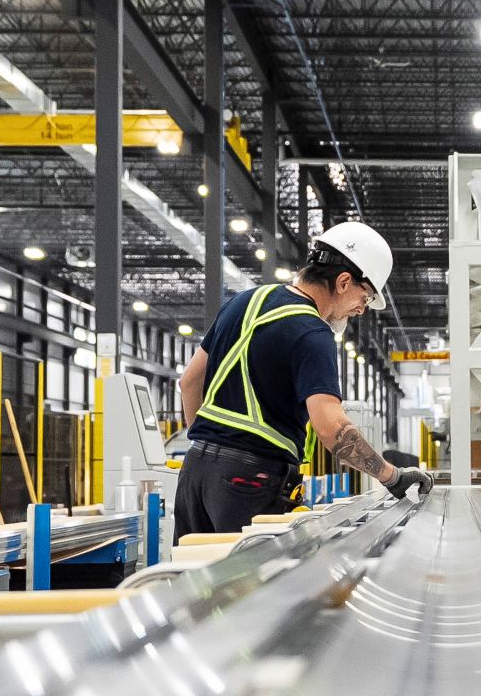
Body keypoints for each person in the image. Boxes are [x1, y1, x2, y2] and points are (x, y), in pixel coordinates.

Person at [174, 221, 433, 538]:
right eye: (364, 298)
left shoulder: (243, 302)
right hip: (248, 480)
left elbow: (189, 382)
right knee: (253, 585)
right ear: (343, 281)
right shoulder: (312, 332)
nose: (361, 310)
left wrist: (208, 448)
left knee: (195, 579)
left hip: (194, 473)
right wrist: (392, 476)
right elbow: (333, 429)